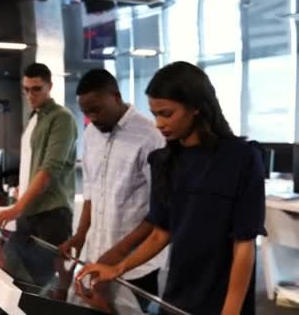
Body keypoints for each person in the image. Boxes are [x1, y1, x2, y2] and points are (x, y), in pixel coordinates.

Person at [75, 61, 266, 315]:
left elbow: (244, 244)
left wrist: (230, 310)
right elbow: (160, 233)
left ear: (196, 107)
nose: (158, 124)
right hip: (178, 295)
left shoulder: (241, 158)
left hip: (225, 296)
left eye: (167, 114)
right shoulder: (164, 161)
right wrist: (119, 267)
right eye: (155, 114)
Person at [59, 69, 166, 311]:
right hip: (96, 256)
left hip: (136, 266)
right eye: (86, 113)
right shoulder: (90, 134)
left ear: (116, 97)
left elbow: (160, 209)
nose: (92, 118)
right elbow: (90, 190)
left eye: (97, 109)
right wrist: (80, 234)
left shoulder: (151, 136)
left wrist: (118, 255)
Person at [0, 63, 77, 246]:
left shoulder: (61, 117)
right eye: (26, 90)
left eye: (37, 89)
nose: (30, 95)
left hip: (51, 212)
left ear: (50, 86)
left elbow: (49, 170)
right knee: (23, 272)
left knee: (52, 272)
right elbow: (32, 163)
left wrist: (15, 210)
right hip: (28, 209)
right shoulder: (34, 117)